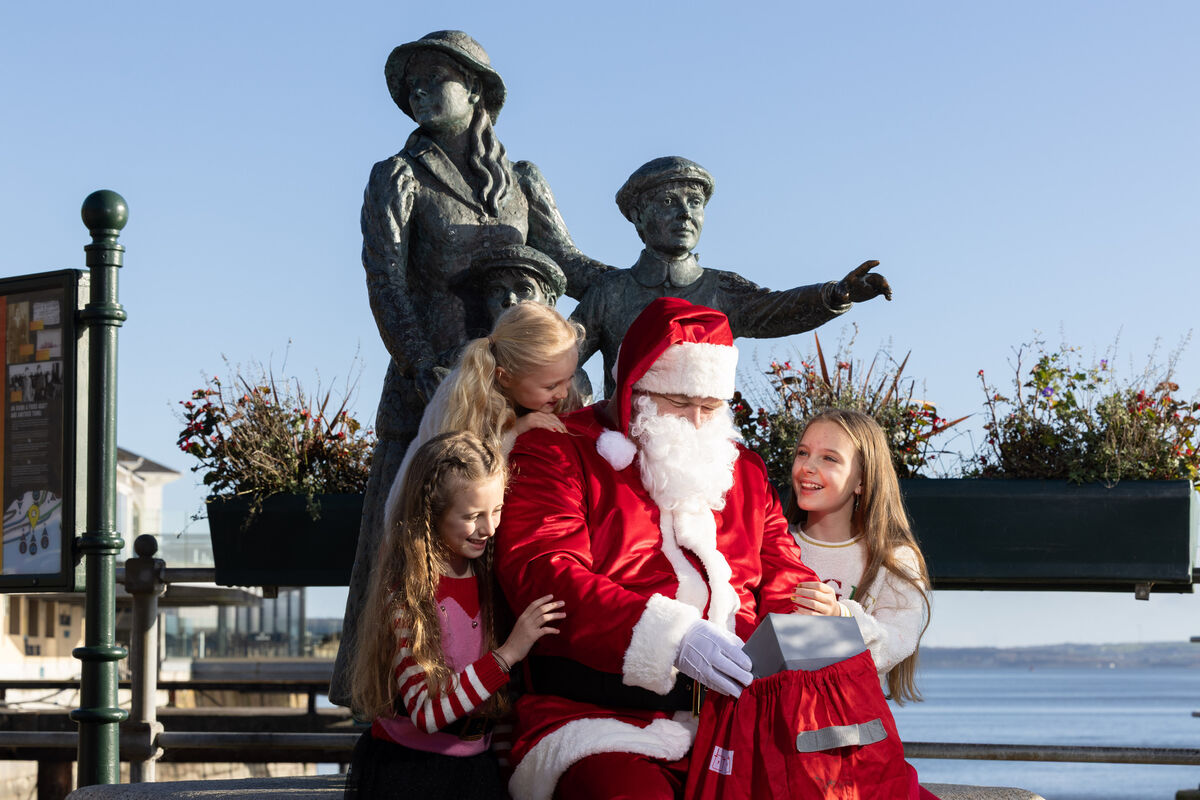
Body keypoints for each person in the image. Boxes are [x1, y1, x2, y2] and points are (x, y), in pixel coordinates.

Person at [336, 29, 607, 706]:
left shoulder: (523, 183)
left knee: (508, 539)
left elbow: (570, 266)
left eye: (435, 78)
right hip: (431, 386)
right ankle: (393, 698)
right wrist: (423, 361)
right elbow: (385, 281)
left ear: (478, 88)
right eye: (411, 86)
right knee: (410, 548)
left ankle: (510, 698)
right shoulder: (396, 177)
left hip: (517, 392)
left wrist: (646, 282)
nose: (420, 93)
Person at [494, 297, 821, 800]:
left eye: (709, 407)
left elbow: (786, 579)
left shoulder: (746, 474)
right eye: (677, 402)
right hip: (599, 723)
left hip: (736, 724)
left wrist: (817, 618)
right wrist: (672, 636)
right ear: (635, 390)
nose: (695, 421)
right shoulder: (559, 450)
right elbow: (545, 573)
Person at [344, 431, 566, 800]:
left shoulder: (489, 576)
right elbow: (426, 713)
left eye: (496, 511)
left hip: (476, 769)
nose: (489, 528)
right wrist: (508, 655)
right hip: (409, 775)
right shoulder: (407, 595)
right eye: (472, 516)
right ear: (431, 514)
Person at [571, 156, 892, 397]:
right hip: (620, 460)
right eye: (669, 202)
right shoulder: (608, 293)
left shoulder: (721, 289)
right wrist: (583, 414)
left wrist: (838, 293)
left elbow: (778, 310)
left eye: (695, 203)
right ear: (639, 217)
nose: (686, 213)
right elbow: (560, 360)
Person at [786, 408, 932, 703]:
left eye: (829, 458)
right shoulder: (771, 545)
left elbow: (897, 642)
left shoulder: (894, 559)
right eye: (803, 453)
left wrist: (840, 617)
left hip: (849, 735)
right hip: (770, 728)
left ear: (861, 481)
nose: (807, 467)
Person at [389, 301, 584, 502]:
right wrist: (516, 430)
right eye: (551, 387)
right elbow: (460, 476)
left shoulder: (549, 390)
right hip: (425, 510)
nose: (562, 393)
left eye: (569, 379)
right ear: (505, 377)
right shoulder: (464, 399)